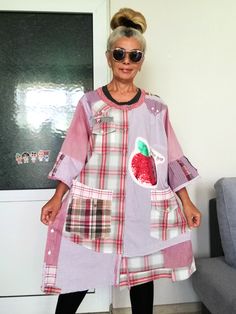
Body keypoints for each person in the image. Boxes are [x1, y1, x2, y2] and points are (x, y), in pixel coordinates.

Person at [40, 8, 201, 314]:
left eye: (135, 55)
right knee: (79, 271)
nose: (127, 61)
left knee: (142, 276)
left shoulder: (156, 108)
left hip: (141, 205)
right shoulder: (90, 104)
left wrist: (186, 202)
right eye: (120, 54)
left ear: (142, 60)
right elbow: (74, 152)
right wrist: (57, 198)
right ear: (108, 57)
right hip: (97, 204)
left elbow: (169, 158)